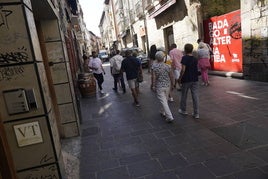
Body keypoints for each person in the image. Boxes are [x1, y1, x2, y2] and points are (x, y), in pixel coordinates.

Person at [151, 51, 175, 122]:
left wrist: (153, 85)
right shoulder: (167, 65)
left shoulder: (154, 66)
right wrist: (173, 84)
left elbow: (154, 77)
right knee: (165, 99)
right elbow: (171, 76)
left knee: (163, 101)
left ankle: (169, 116)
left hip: (159, 85)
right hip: (167, 85)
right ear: (163, 58)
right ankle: (163, 111)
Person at [178, 43, 199, 119]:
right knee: (195, 96)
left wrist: (180, 78)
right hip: (195, 79)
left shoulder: (184, 58)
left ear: (185, 50)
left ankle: (183, 110)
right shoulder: (195, 58)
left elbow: (183, 69)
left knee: (184, 95)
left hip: (186, 79)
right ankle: (196, 113)